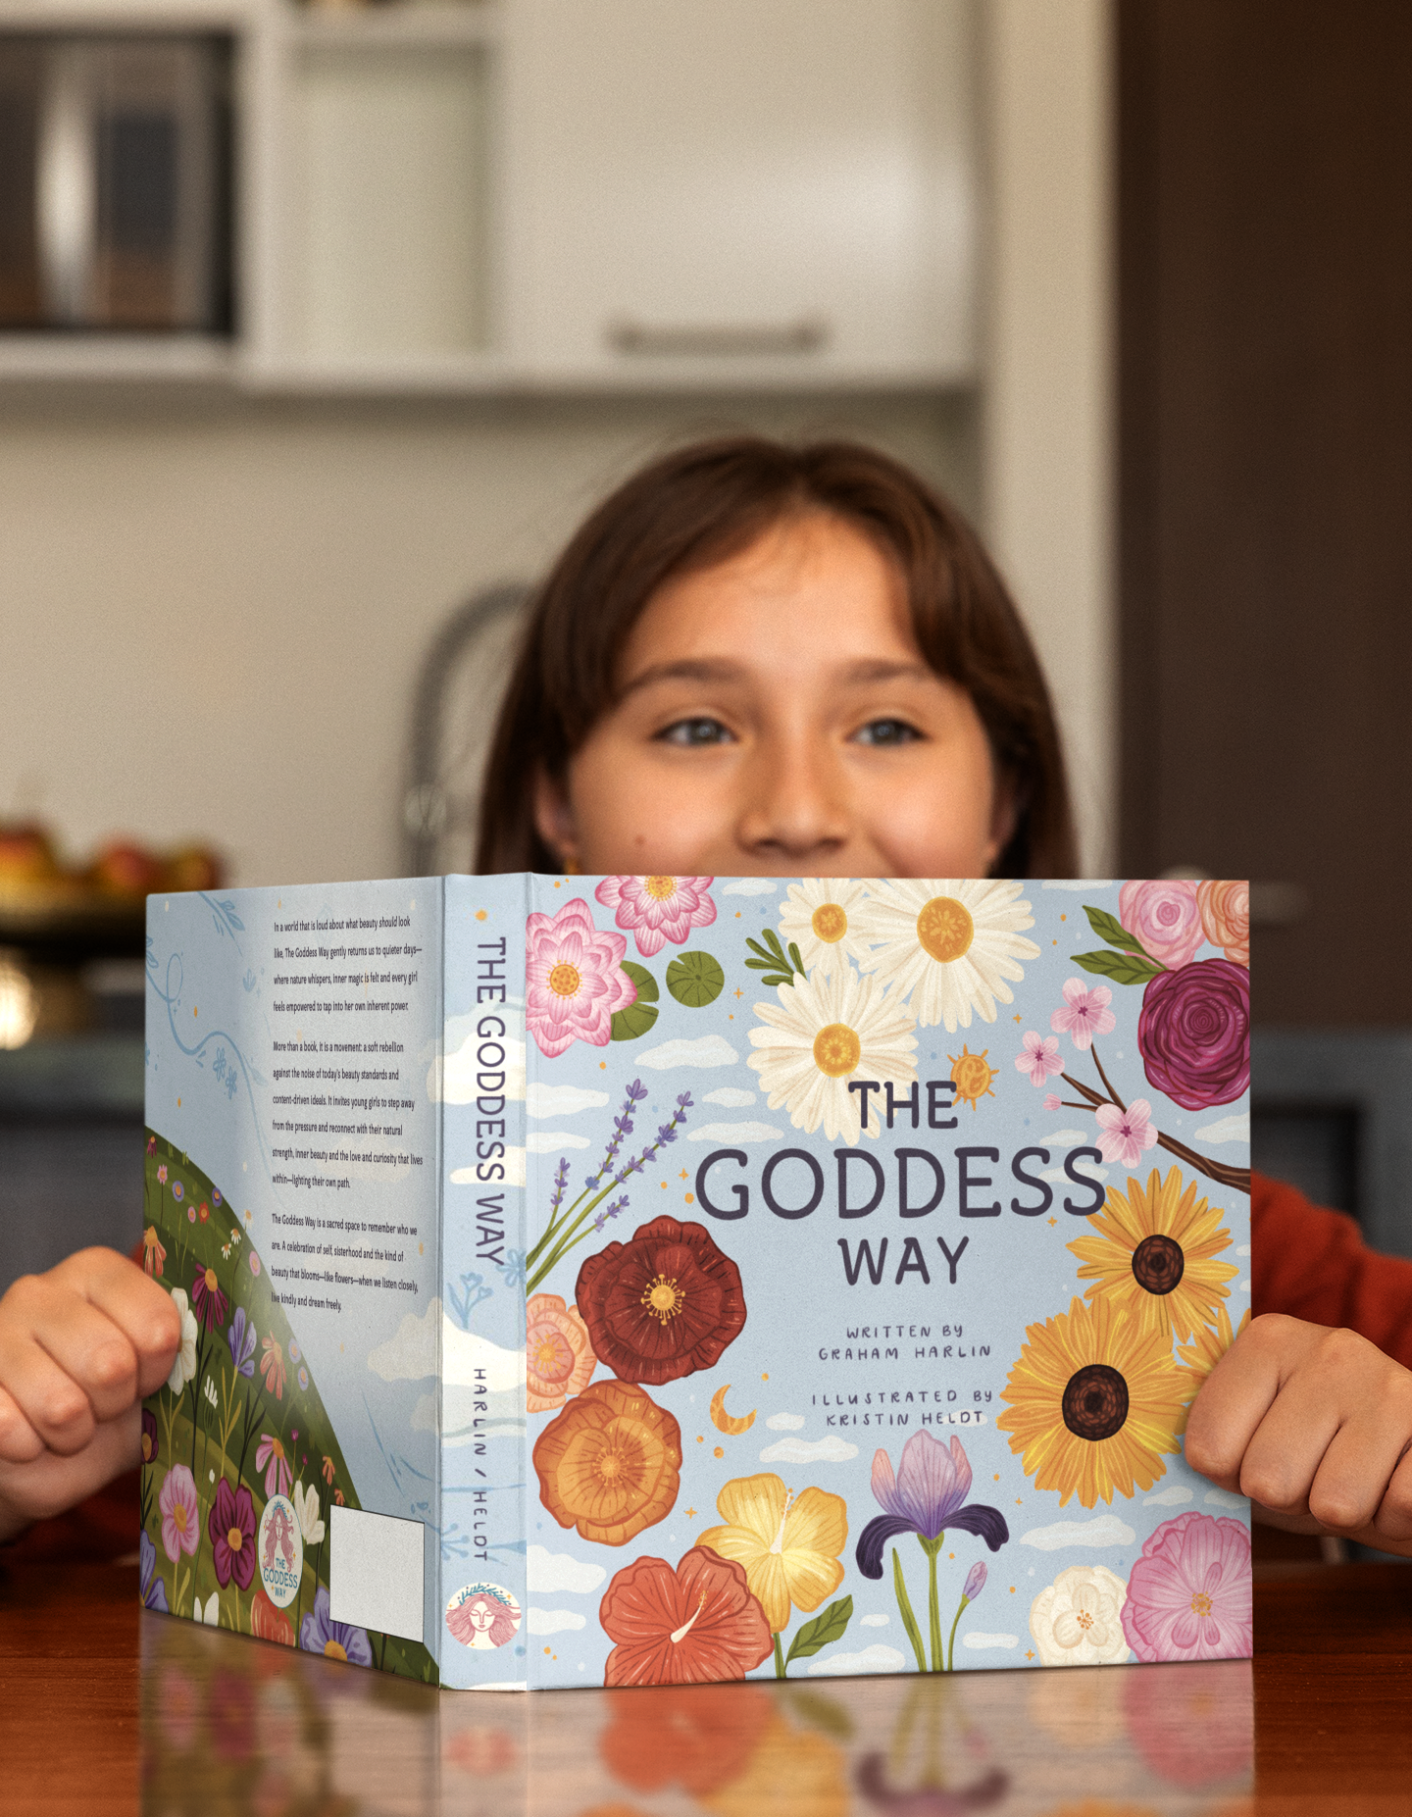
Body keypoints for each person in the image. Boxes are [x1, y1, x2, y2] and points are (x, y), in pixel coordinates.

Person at [6, 434, 1412, 1566]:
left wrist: (1383, 1441)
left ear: (1006, 801)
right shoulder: (344, 1257)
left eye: (886, 725)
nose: (797, 813)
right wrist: (24, 1462)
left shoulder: (1180, 1233)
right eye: (695, 725)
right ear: (557, 799)